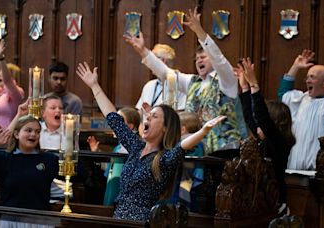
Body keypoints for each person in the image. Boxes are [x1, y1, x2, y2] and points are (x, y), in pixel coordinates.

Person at [76, 61, 225, 221]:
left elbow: (182, 146)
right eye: (148, 115)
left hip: (142, 223)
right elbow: (113, 118)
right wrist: (94, 86)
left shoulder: (164, 159)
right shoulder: (136, 147)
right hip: (118, 219)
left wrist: (203, 131)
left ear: (165, 128)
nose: (147, 118)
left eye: (154, 117)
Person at [125, 7, 247, 156]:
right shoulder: (192, 82)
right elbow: (166, 73)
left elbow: (219, 59)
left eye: (203, 57)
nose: (199, 60)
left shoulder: (226, 79)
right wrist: (143, 51)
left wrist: (200, 33)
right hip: (196, 149)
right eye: (197, 58)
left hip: (225, 150)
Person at [0, 115, 59, 226]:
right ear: (16, 134)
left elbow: (78, 174)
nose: (33, 134)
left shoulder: (48, 159)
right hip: (11, 220)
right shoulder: (4, 158)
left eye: (37, 132)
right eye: (29, 130)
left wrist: (72, 143)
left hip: (41, 220)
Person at [236, 58, 294, 215]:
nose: (257, 124)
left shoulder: (279, 142)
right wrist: (245, 87)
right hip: (260, 201)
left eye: (264, 122)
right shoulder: (263, 136)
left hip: (275, 204)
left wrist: (254, 84)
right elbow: (249, 116)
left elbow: (262, 117)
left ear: (275, 122)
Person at [170, 111, 204, 212]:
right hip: (187, 175)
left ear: (183, 129)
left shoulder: (189, 141)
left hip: (187, 175)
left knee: (182, 200)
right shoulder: (198, 140)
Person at [136, 44, 187, 111]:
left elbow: (181, 113)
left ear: (163, 61)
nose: (150, 65)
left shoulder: (180, 85)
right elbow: (140, 111)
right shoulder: (149, 85)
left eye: (153, 60)